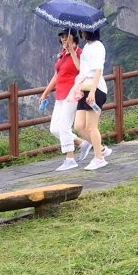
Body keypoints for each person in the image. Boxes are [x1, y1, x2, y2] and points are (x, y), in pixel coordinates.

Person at [38, 29, 85, 172]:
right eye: (62, 38)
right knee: (54, 129)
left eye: (67, 37)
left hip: (72, 94)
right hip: (60, 95)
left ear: (74, 38)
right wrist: (45, 93)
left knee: (64, 127)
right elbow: (56, 76)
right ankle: (81, 143)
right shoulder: (62, 55)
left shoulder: (79, 53)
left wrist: (72, 52)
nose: (64, 40)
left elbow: (81, 70)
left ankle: (70, 159)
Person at [70, 29, 112, 170]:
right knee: (79, 126)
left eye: (82, 30)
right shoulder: (87, 46)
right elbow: (81, 69)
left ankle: (99, 158)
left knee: (91, 126)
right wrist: (72, 51)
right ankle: (101, 149)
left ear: (89, 31)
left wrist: (93, 92)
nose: (80, 32)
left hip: (96, 89)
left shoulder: (98, 46)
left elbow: (98, 70)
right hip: (84, 87)